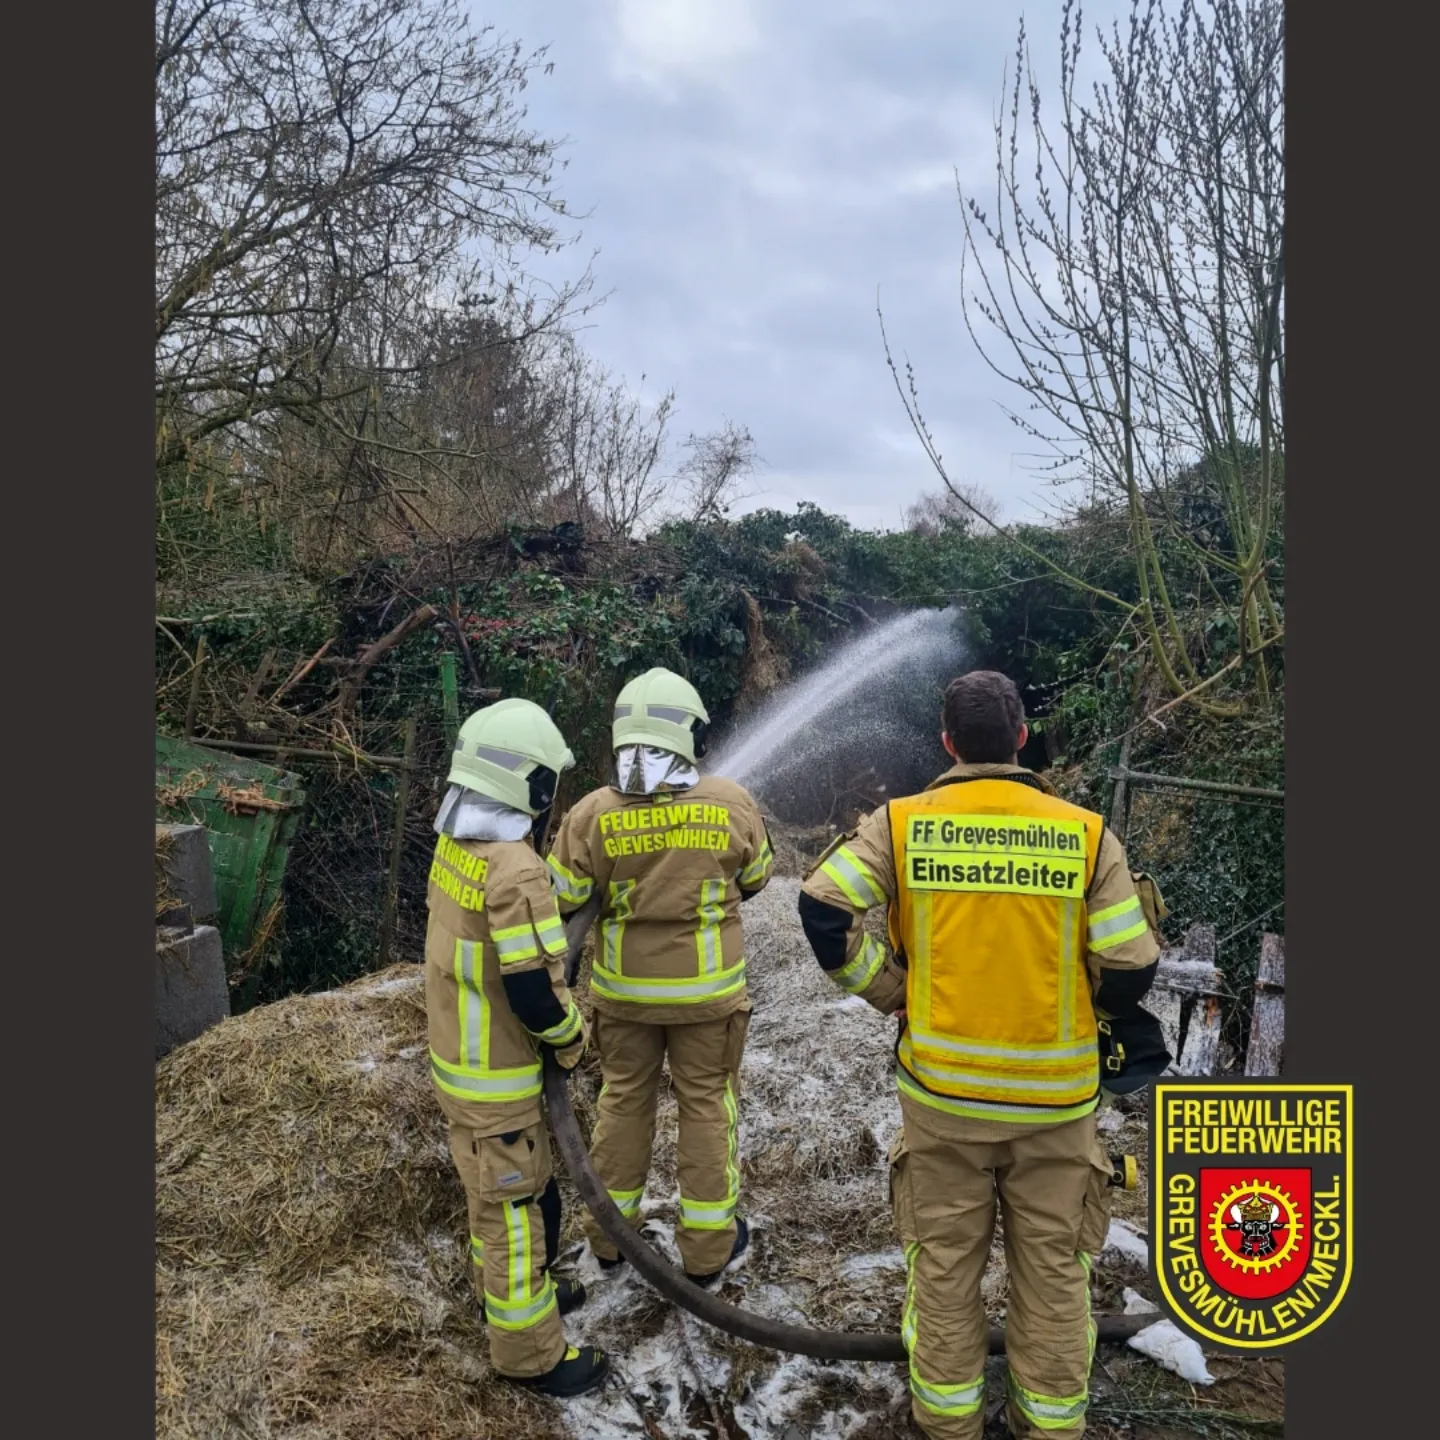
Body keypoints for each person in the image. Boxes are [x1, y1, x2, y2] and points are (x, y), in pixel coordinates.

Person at [797, 670, 1160, 1439]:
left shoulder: (901, 824)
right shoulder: (1086, 835)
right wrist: (1093, 1015)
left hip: (943, 1102)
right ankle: (1050, 1426)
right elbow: (1131, 964)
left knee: (944, 1267)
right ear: (1023, 737)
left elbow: (822, 906)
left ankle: (948, 1424)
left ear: (948, 743)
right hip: (1056, 1108)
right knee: (1055, 1271)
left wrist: (890, 991)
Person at [546, 667, 775, 1285]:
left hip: (624, 999)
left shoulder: (593, 811)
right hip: (709, 1001)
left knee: (622, 1104)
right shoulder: (731, 801)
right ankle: (707, 1251)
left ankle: (609, 1240)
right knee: (706, 1109)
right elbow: (757, 877)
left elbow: (561, 895)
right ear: (689, 735)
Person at [424, 697, 608, 1398]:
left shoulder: (455, 845)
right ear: (529, 783)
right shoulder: (514, 867)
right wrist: (572, 1039)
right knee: (513, 1215)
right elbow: (535, 994)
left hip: (459, 1065)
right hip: (498, 1079)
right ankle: (530, 1353)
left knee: (493, 1200)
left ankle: (505, 1298)